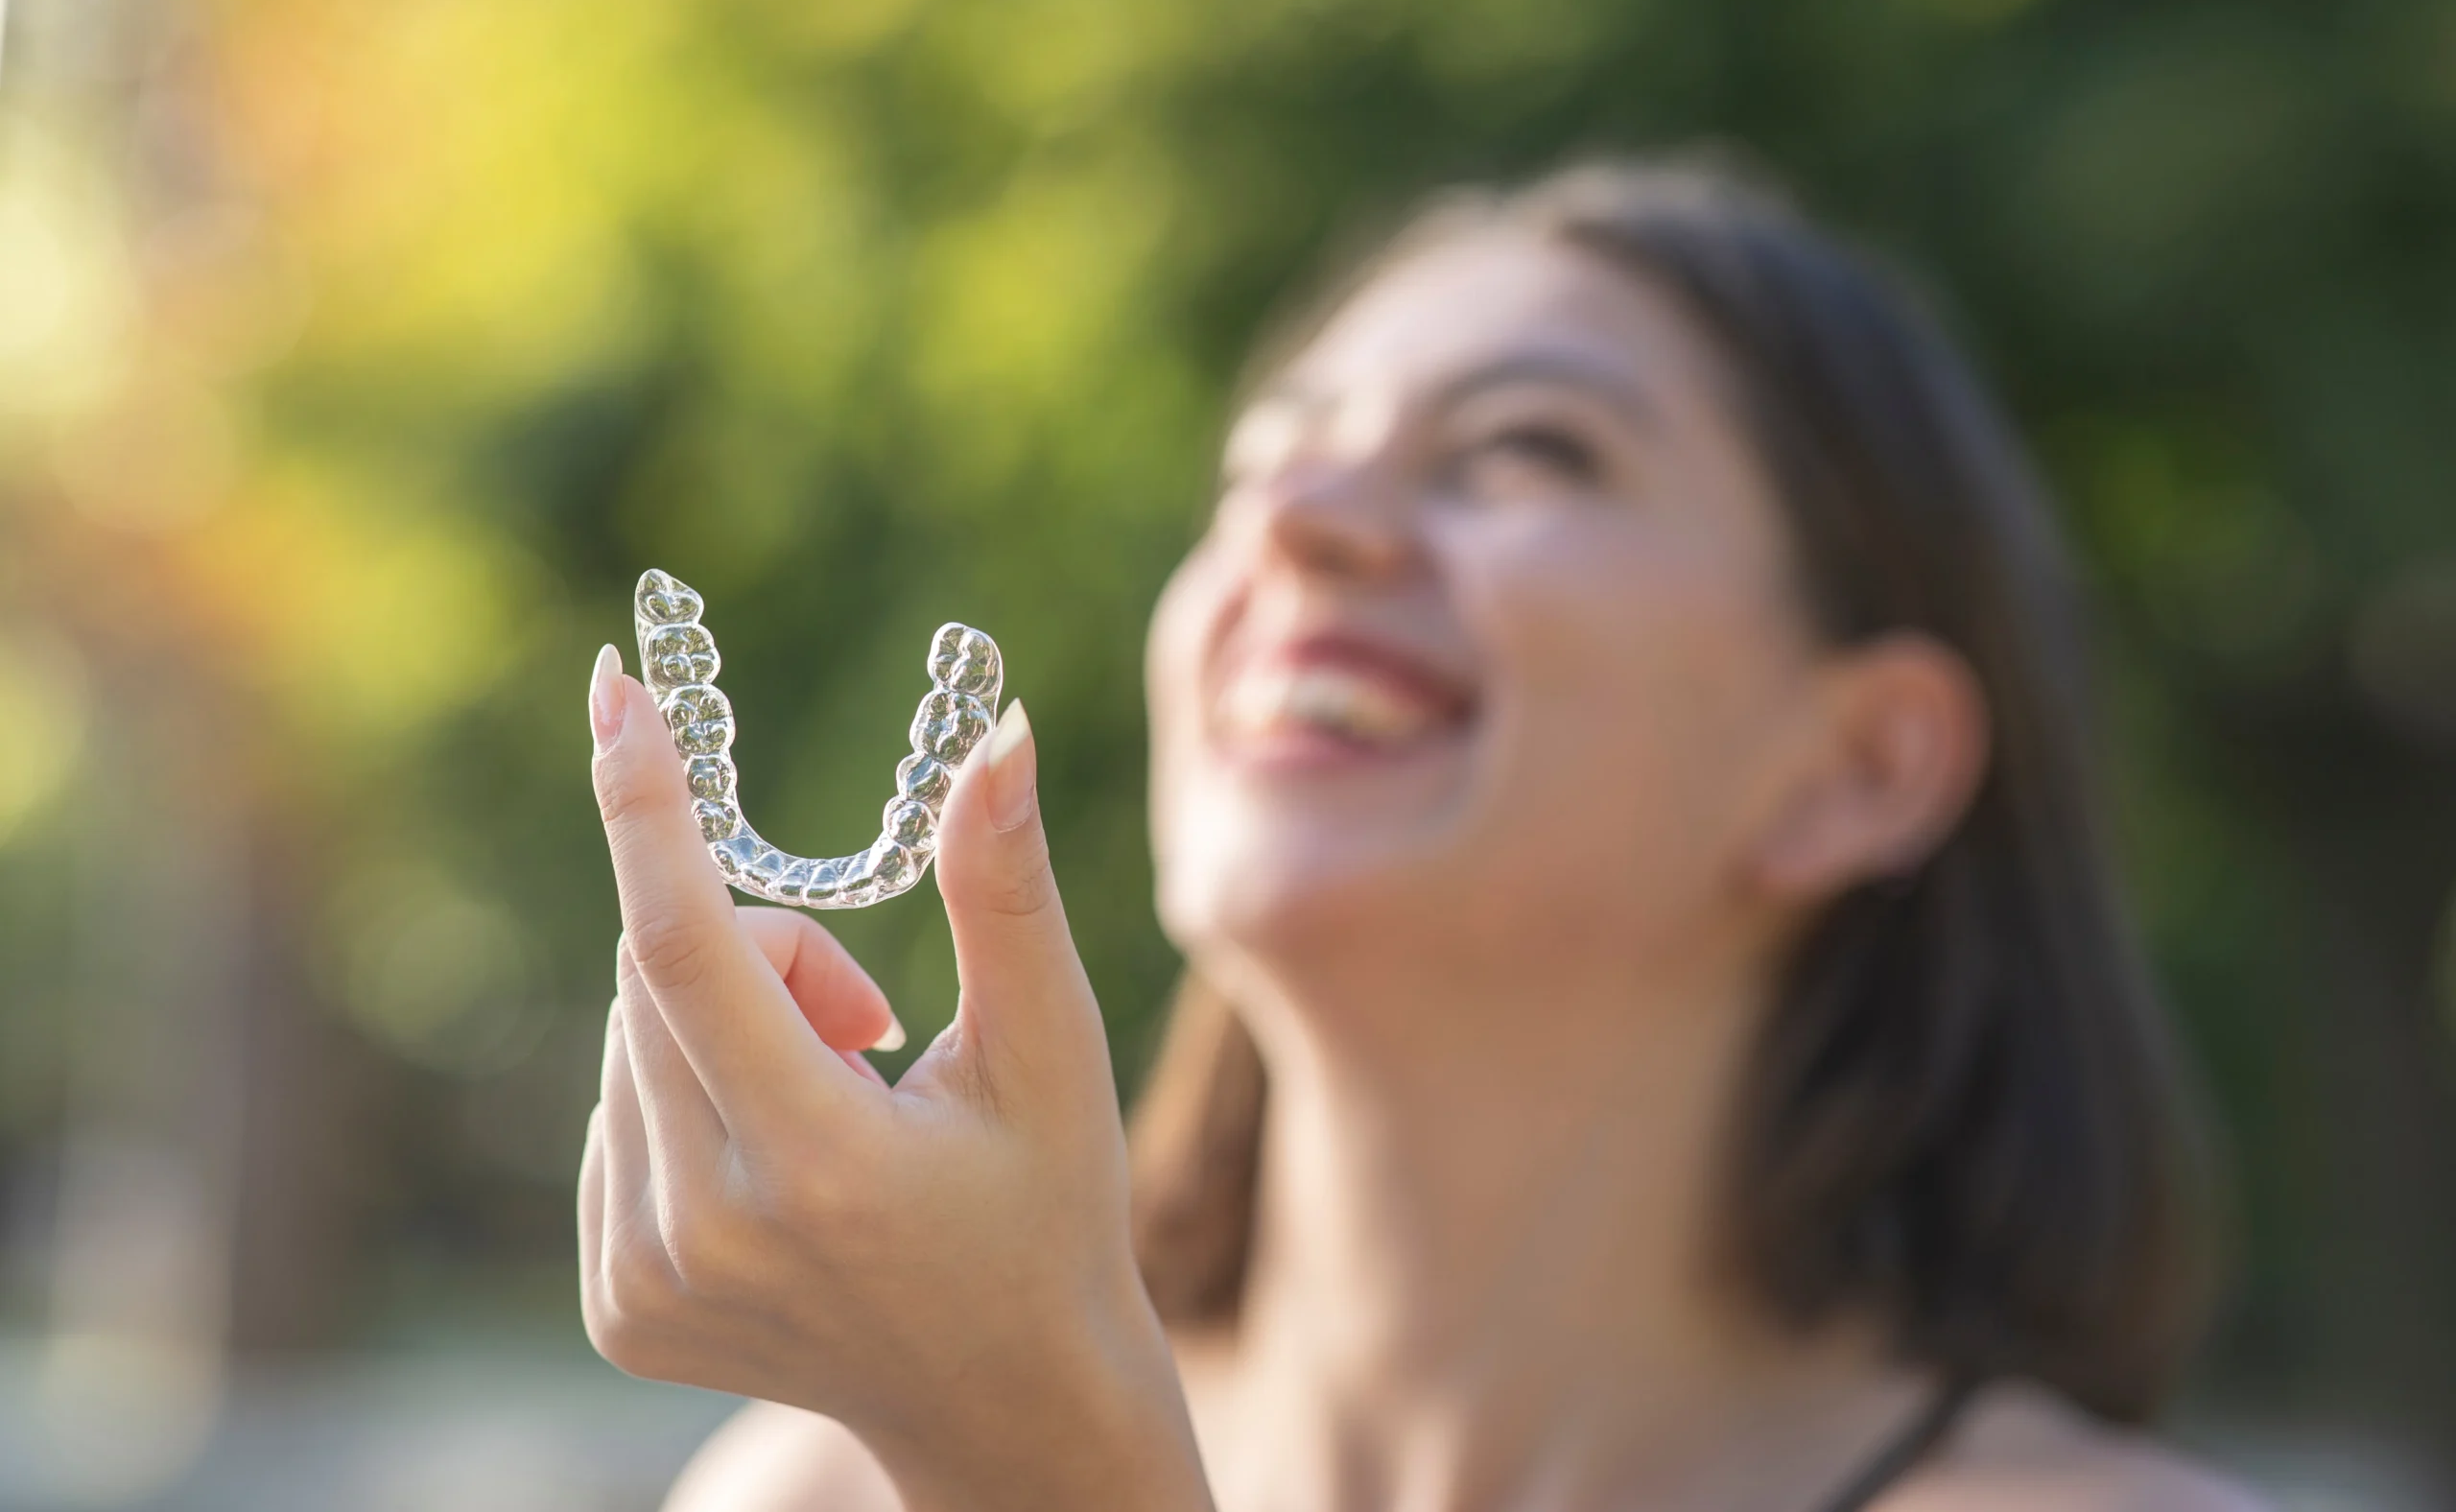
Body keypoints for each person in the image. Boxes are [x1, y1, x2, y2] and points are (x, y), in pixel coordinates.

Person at [578, 158, 2263, 1510]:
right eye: (1268, 462)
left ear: (1861, 766)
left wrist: (1035, 1471)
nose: (1298, 524)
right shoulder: (812, 1490)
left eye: (1523, 451)